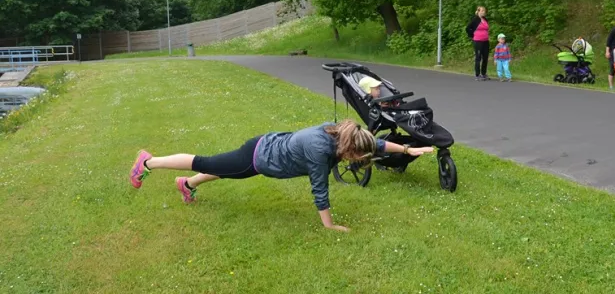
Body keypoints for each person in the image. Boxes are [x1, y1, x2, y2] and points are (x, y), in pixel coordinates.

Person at [128, 119, 434, 233]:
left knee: (226, 172)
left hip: (263, 149)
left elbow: (375, 143)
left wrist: (407, 150)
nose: (359, 160)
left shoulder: (339, 132)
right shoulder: (319, 150)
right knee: (207, 161)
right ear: (350, 149)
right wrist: (329, 226)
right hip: (258, 157)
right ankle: (148, 162)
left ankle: (189, 185)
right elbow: (319, 191)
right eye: (359, 156)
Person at [465, 6, 490, 81]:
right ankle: (477, 74)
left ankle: (483, 73)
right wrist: (473, 35)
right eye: (482, 11)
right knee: (478, 57)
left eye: (484, 11)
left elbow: (486, 29)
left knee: (485, 57)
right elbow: (468, 28)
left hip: (485, 41)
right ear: (478, 11)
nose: (483, 12)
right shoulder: (475, 20)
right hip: (478, 41)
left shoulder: (485, 19)